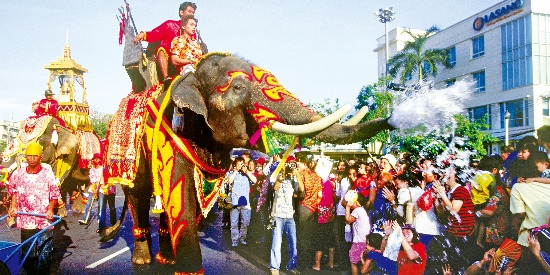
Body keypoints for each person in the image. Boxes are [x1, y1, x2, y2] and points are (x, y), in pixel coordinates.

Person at [7, 142, 61, 274]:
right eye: (29, 156)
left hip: (44, 218)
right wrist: (13, 207)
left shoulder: (47, 174)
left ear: (40, 157)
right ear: (25, 157)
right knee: (27, 254)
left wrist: (50, 209)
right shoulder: (18, 174)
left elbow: (54, 194)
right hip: (26, 217)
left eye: (35, 156)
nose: (32, 159)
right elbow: (13, 191)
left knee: (45, 252)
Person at [133, 2, 205, 84]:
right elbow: (155, 34)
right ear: (181, 12)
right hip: (171, 58)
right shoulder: (170, 24)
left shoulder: (193, 34)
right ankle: (166, 77)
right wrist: (143, 34)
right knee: (162, 49)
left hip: (186, 60)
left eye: (193, 13)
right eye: (189, 11)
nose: (191, 14)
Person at [269, 164, 299, 275]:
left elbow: (299, 190)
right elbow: (274, 188)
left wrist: (296, 174)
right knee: (276, 241)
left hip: (290, 215)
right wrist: (278, 179)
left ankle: (291, 265)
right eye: (285, 165)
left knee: (293, 241)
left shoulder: (293, 178)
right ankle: (274, 267)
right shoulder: (275, 175)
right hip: (277, 214)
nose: (287, 167)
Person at [228, 156, 257, 247]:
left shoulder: (247, 174)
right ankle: (235, 240)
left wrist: (246, 171)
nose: (241, 166)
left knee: (245, 222)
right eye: (239, 164)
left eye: (242, 164)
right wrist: (236, 170)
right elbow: (229, 181)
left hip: (245, 203)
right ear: (235, 165)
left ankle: (242, 238)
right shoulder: (233, 173)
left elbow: (255, 180)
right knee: (234, 223)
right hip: (235, 203)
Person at [344, 193, 371, 275]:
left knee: (354, 262)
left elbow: (348, 220)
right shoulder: (362, 210)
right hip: (364, 241)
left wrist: (347, 207)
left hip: (359, 241)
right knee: (362, 263)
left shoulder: (357, 210)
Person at [95, 153, 116, 235]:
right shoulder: (100, 168)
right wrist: (96, 190)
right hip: (102, 191)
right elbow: (97, 180)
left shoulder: (113, 168)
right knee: (101, 209)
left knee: (112, 208)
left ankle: (113, 224)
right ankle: (101, 226)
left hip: (110, 190)